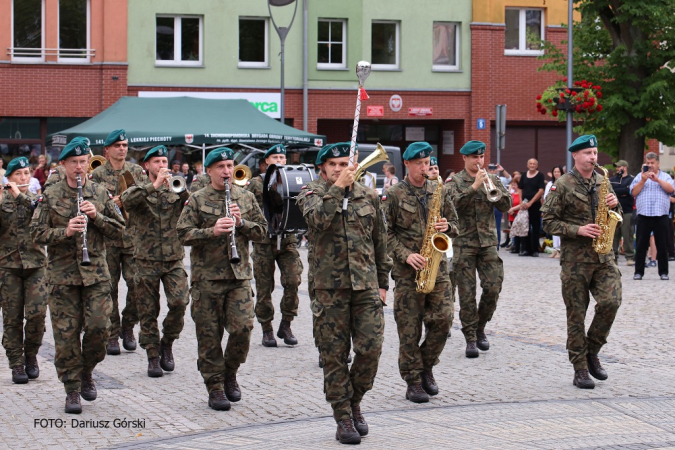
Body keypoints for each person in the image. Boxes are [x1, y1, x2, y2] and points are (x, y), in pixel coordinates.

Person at [299, 142, 391, 445]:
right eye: (333, 164)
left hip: (365, 286)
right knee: (334, 356)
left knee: (370, 349)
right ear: (322, 168)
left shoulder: (367, 196)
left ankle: (355, 400)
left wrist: (382, 283)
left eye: (343, 163)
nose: (339, 169)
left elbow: (380, 241)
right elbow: (317, 221)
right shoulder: (310, 193)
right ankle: (343, 416)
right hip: (329, 289)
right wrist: (337, 188)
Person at [31, 137, 125, 413]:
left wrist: (97, 217)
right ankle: (72, 388)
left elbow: (120, 231)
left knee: (99, 328)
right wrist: (66, 231)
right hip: (62, 277)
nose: (80, 167)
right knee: (66, 336)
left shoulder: (99, 192)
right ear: (63, 165)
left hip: (95, 274)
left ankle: (87, 370)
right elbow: (36, 234)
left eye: (84, 162)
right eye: (74, 162)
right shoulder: (50, 195)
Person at [176, 147, 267, 411]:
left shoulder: (245, 197)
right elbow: (182, 233)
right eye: (221, 167)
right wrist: (211, 231)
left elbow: (262, 232)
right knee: (209, 336)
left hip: (238, 277)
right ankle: (214, 385)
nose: (227, 172)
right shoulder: (196, 199)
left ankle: (230, 372)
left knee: (242, 329)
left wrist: (242, 224)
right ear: (210, 171)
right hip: (207, 280)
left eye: (229, 166)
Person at [541, 134, 622, 389]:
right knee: (576, 314)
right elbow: (547, 222)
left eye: (595, 153)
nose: (593, 157)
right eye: (588, 153)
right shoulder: (562, 185)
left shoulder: (603, 181)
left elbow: (615, 215)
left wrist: (616, 204)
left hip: (604, 256)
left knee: (612, 301)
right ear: (575, 155)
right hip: (575, 260)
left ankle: (592, 350)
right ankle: (580, 368)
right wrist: (578, 230)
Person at [385, 142, 458, 404]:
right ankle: (413, 380)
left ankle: (426, 365)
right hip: (408, 273)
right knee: (409, 329)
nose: (424, 168)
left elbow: (456, 225)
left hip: (437, 269)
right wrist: (406, 254)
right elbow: (385, 234)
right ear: (406, 164)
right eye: (419, 164)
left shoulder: (439, 188)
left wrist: (447, 225)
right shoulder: (394, 194)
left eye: (427, 163)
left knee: (444, 320)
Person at [121, 145, 190, 377]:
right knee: (148, 310)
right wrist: (154, 185)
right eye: (157, 162)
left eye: (164, 162)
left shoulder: (175, 188)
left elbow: (191, 209)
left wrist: (183, 191)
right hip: (145, 259)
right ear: (147, 166)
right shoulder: (139, 188)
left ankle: (167, 342)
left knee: (180, 302)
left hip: (173, 258)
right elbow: (126, 201)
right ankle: (152, 355)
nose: (162, 166)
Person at [446, 141, 511, 358]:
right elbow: (452, 205)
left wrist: (495, 190)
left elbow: (506, 205)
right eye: (474, 157)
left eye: (481, 157)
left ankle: (480, 325)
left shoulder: (492, 179)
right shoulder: (454, 181)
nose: (479, 161)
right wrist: (473, 187)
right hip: (464, 243)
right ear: (464, 158)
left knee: (493, 287)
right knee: (466, 293)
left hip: (488, 243)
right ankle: (470, 337)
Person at [90, 129, 147, 355]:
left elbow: (145, 198)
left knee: (136, 285)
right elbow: (90, 201)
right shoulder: (96, 174)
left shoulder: (136, 172)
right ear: (107, 150)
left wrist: (124, 201)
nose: (122, 149)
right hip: (107, 240)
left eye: (124, 145)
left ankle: (128, 325)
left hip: (133, 238)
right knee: (109, 288)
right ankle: (112, 334)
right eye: (117, 145)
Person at [244, 144, 303, 347]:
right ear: (266, 161)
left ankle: (286, 324)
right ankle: (266, 329)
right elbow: (246, 206)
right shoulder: (255, 183)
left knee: (293, 281)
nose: (279, 160)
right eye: (275, 157)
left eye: (282, 157)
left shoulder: (293, 180)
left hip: (287, 240)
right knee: (264, 286)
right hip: (263, 241)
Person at [0, 157, 47, 384]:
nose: (24, 178)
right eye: (18, 174)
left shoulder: (37, 198)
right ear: (8, 178)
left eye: (27, 173)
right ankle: (16, 363)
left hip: (36, 266)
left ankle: (31, 355)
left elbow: (39, 211)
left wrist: (19, 195)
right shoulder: (1, 200)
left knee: (37, 314)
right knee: (12, 318)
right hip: (8, 267)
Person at [630, 152, 675, 280]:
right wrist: (643, 180)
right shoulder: (640, 176)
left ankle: (663, 272)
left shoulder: (665, 176)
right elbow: (633, 192)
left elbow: (671, 190)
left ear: (658, 164)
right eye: (648, 163)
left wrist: (658, 180)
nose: (650, 165)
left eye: (652, 163)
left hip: (661, 215)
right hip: (644, 215)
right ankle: (638, 272)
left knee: (662, 245)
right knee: (641, 245)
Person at [609, 160, 636, 266]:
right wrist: (622, 192)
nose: (617, 169)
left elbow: (628, 191)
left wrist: (619, 192)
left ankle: (629, 257)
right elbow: (610, 191)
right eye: (616, 167)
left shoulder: (631, 179)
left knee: (627, 234)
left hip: (627, 211)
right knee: (614, 235)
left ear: (625, 168)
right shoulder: (612, 179)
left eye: (619, 167)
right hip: (614, 211)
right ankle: (613, 257)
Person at [518, 158, 546, 256]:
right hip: (524, 205)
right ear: (527, 165)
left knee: (535, 227)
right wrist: (521, 202)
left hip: (535, 205)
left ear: (537, 165)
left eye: (534, 164)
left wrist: (531, 202)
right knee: (525, 226)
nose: (532, 165)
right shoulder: (524, 175)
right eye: (530, 163)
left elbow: (541, 190)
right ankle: (526, 249)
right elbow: (520, 189)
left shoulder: (540, 175)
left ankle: (535, 249)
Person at [544, 166, 564, 258]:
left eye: (558, 171)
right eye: (555, 172)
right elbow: (546, 196)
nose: (556, 173)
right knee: (554, 229)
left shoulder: (564, 183)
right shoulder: (550, 183)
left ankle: (560, 250)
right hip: (552, 208)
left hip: (561, 209)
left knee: (560, 229)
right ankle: (555, 249)